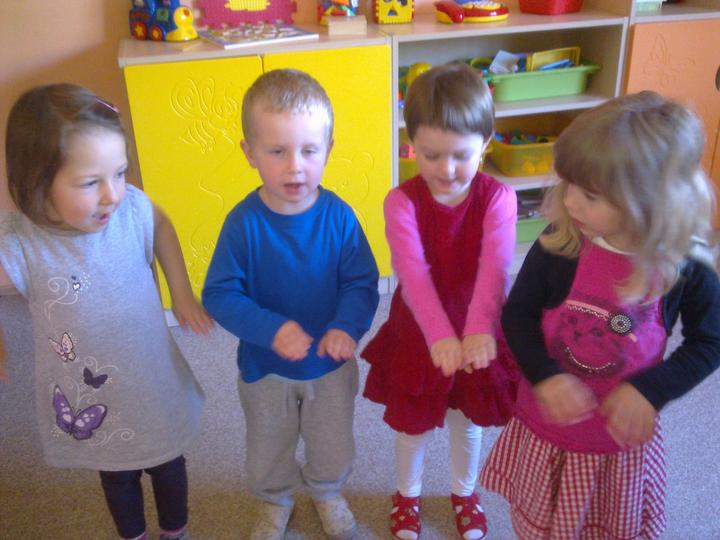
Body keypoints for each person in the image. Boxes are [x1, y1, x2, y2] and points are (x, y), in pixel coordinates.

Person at [479, 91, 720, 539]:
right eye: (568, 184)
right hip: (547, 430)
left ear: (650, 202)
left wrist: (651, 391)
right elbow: (517, 316)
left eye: (590, 194)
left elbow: (710, 341)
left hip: (618, 447)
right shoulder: (561, 241)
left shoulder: (685, 263)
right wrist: (545, 376)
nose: (570, 202)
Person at [0, 84, 212, 540]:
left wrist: (181, 293)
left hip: (149, 375)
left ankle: (175, 532)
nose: (112, 194)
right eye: (90, 182)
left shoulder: (130, 209)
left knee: (168, 460)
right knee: (116, 474)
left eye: (119, 173)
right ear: (36, 182)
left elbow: (161, 224)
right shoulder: (22, 243)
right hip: (91, 396)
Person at [201, 69, 380, 540]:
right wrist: (270, 328)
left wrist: (346, 326)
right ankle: (275, 498)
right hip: (265, 368)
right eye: (277, 151)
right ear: (250, 154)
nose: (295, 167)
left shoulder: (340, 217)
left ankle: (327, 491)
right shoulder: (242, 223)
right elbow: (219, 293)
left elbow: (362, 282)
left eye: (309, 150)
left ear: (329, 148)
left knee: (332, 443)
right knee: (268, 446)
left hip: (330, 365)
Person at [361, 63, 520, 540]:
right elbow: (412, 273)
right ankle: (406, 496)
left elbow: (494, 269)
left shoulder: (499, 198)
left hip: (478, 327)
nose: (446, 170)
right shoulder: (401, 201)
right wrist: (439, 336)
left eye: (460, 156)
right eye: (430, 155)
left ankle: (464, 493)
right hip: (420, 329)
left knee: (466, 420)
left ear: (485, 144)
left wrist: (476, 330)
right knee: (412, 426)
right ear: (411, 143)